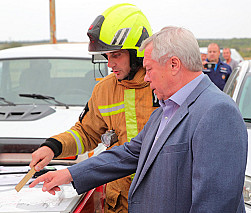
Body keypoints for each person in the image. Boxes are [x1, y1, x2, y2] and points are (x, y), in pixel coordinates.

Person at [30, 26, 248, 212]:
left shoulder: (217, 111)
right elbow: (129, 153)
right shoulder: (166, 110)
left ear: (174, 65)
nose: (145, 77)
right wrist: (69, 174)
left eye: (150, 69)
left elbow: (215, 204)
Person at [29, 3, 158, 212]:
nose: (110, 64)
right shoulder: (104, 90)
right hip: (120, 202)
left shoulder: (161, 86)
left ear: (138, 53)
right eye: (107, 56)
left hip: (159, 197)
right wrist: (53, 147)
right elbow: (86, 133)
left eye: (116, 55)